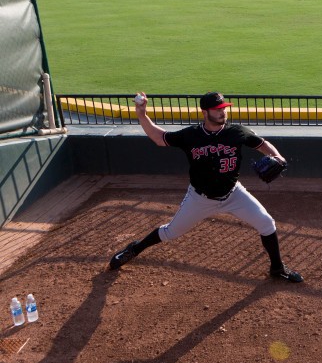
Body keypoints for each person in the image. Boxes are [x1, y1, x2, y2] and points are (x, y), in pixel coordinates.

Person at [108, 92, 303, 282]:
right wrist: (142, 114)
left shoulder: (237, 132)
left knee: (267, 223)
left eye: (224, 108)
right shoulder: (191, 135)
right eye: (217, 109)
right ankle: (134, 248)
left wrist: (277, 156)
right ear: (205, 112)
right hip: (200, 199)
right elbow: (160, 138)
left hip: (233, 193)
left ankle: (277, 268)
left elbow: (262, 144)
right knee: (170, 232)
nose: (222, 112)